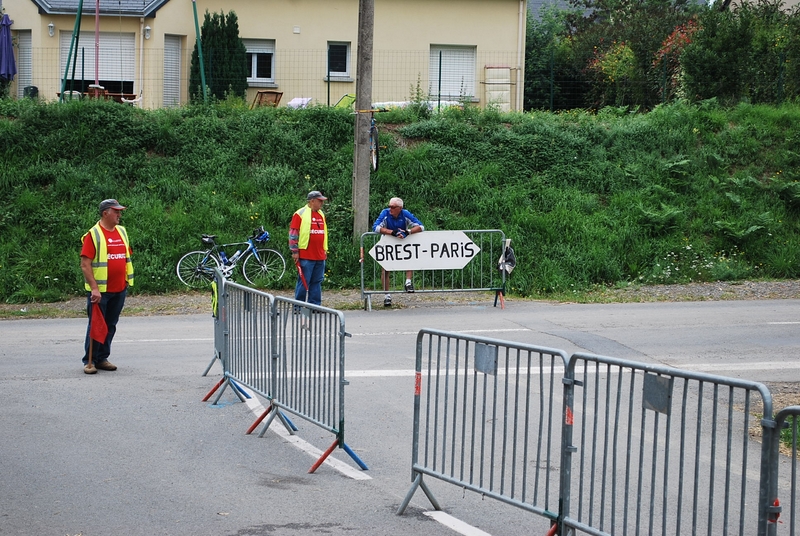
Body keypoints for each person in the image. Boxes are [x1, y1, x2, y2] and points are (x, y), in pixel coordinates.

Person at [80, 199, 134, 374]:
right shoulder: (93, 234)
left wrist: (125, 280)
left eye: (120, 211)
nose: (119, 214)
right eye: (116, 211)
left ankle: (102, 357)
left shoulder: (122, 232)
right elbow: (85, 264)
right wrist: (94, 288)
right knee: (96, 325)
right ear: (105, 213)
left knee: (110, 324)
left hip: (119, 289)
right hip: (101, 291)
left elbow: (125, 257)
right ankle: (90, 361)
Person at [372, 197, 424, 307]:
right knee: (385, 268)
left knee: (409, 259)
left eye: (393, 207)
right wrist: (392, 232)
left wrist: (408, 231)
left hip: (402, 241)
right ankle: (387, 295)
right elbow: (375, 227)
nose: (390, 208)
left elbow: (421, 226)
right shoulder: (385, 213)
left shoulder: (405, 214)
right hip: (388, 242)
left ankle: (408, 282)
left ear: (400, 208)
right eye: (389, 206)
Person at [289, 190, 328, 306]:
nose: (322, 203)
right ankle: (299, 306)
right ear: (312, 201)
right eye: (319, 201)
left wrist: (324, 250)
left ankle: (315, 305)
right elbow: (293, 234)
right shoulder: (300, 214)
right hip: (306, 255)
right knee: (303, 281)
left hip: (320, 255)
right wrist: (294, 251)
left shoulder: (321, 214)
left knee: (317, 281)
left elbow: (323, 233)